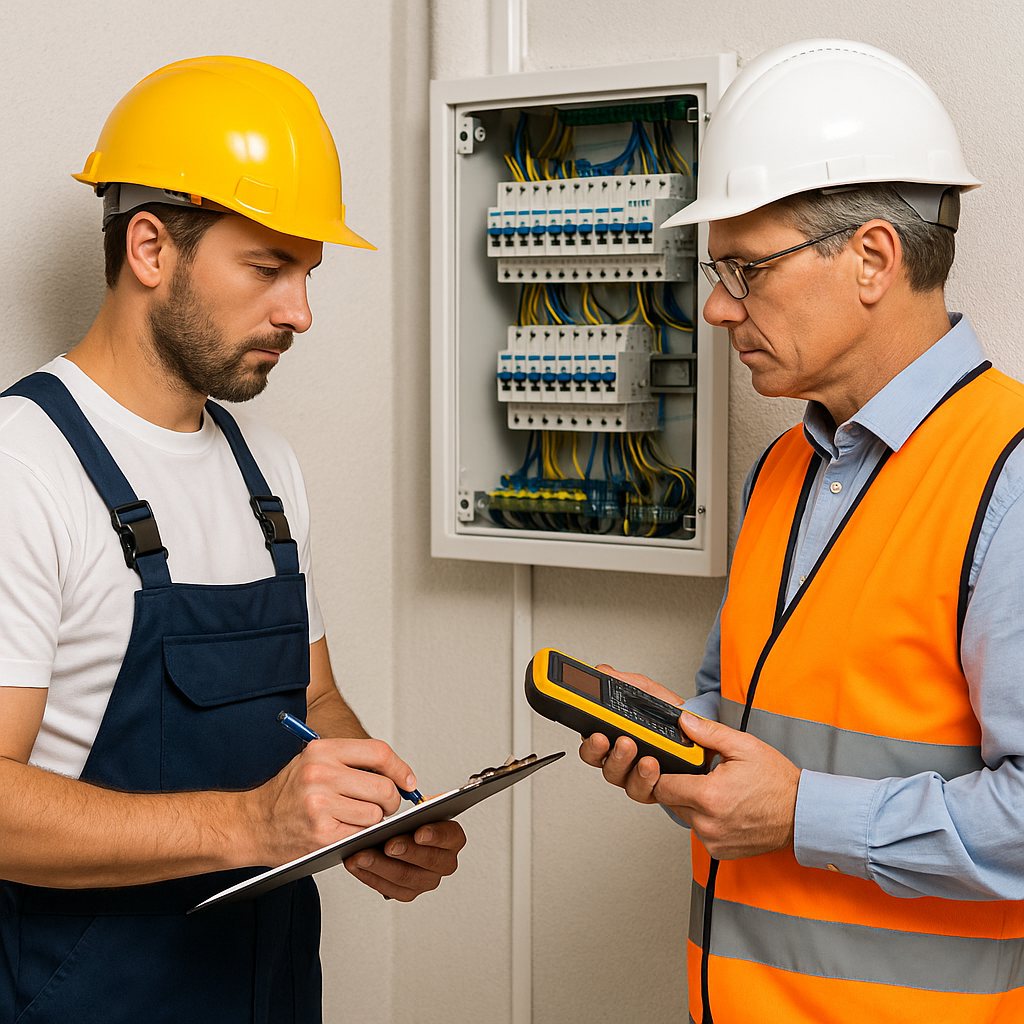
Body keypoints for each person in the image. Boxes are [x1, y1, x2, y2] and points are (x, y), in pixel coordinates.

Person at [0, 56, 465, 1023]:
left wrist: (372, 809)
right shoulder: (24, 468)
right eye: (268, 268)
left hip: (270, 992)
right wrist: (253, 821)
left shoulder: (269, 475)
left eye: (306, 273)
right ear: (149, 248)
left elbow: (315, 698)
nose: (300, 311)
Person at [579, 39, 1024, 1023]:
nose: (715, 306)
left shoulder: (1009, 477)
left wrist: (797, 814)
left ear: (872, 256)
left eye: (744, 268)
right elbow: (760, 721)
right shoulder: (786, 469)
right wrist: (680, 737)